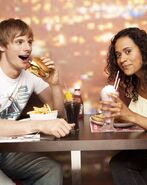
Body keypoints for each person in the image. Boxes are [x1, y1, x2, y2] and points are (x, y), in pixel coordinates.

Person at [0, 18, 74, 185]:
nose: (27, 48)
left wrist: (54, 85)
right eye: (19, 42)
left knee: (51, 170)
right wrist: (39, 125)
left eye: (29, 42)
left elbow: (59, 114)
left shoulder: (30, 76)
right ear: (2, 46)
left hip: (6, 150)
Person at [100, 27, 147, 185]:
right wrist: (118, 116)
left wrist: (129, 115)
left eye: (128, 51)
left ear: (143, 50)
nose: (122, 59)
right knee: (119, 163)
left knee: (121, 165)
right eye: (118, 55)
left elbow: (134, 117)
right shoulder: (135, 82)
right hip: (142, 148)